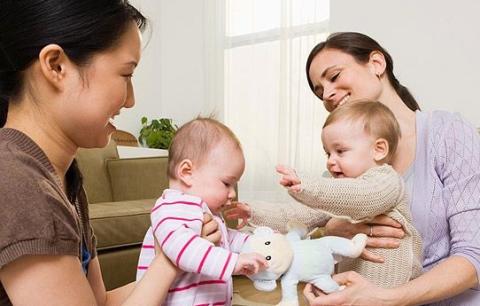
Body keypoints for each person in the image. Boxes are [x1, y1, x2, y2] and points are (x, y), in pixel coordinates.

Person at [228, 31, 480, 305]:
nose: (328, 94)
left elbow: (474, 255)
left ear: (376, 64)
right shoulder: (346, 166)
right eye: (319, 91)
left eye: (334, 77)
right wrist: (330, 237)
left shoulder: (449, 134)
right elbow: (305, 221)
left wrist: (386, 299)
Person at [0, 1, 220, 305]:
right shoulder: (17, 181)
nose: (131, 100)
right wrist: (168, 263)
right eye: (126, 75)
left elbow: (99, 301)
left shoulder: (64, 177)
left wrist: (174, 259)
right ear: (55, 66)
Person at [274, 101, 423, 289]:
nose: (330, 161)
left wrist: (307, 185)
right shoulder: (341, 193)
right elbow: (299, 215)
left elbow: (361, 197)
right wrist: (251, 213)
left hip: (394, 290)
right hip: (353, 290)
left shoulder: (387, 180)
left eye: (340, 151)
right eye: (328, 153)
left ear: (378, 150)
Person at [136, 117, 268, 306]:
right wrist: (233, 262)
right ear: (187, 172)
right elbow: (183, 248)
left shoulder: (204, 211)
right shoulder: (172, 207)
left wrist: (258, 243)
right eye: (226, 183)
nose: (232, 194)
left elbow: (226, 239)